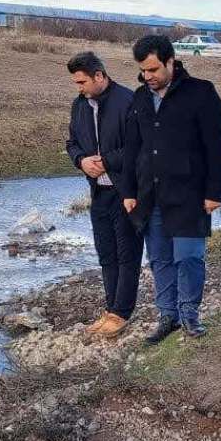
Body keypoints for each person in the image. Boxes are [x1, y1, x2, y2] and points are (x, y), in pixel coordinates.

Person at [117, 35, 221, 344]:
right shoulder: (140, 98)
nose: (147, 76)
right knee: (160, 259)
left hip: (190, 194)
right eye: (143, 71)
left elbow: (216, 147)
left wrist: (214, 192)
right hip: (150, 195)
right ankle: (169, 316)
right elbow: (132, 150)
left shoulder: (201, 93)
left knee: (189, 257)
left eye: (153, 69)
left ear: (170, 62)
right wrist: (128, 192)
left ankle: (190, 315)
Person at [65, 51, 144, 338]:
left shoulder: (128, 101)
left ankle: (122, 313)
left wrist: (106, 162)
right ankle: (111, 309)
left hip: (127, 193)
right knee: (106, 255)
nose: (79, 88)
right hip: (98, 193)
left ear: (100, 76)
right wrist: (81, 162)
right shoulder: (79, 106)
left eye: (82, 82)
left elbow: (141, 147)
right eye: (76, 83)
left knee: (128, 255)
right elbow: (72, 143)